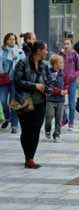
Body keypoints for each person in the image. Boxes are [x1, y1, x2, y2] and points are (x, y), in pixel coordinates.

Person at [14, 41, 50, 169]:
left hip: (40, 102)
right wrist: (35, 86)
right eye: (45, 49)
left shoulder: (45, 65)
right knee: (26, 130)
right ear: (39, 50)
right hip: (25, 102)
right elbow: (17, 81)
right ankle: (28, 157)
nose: (47, 52)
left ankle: (30, 158)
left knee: (35, 130)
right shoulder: (22, 63)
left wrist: (48, 90)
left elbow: (48, 81)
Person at [0, 33, 25, 133]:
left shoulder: (19, 52)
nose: (11, 41)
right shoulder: (1, 52)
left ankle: (14, 125)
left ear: (16, 41)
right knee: (2, 101)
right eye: (9, 39)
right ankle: (7, 117)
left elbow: (23, 65)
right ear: (6, 40)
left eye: (13, 39)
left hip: (15, 81)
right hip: (3, 80)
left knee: (14, 103)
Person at [60, 38, 79, 130]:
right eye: (64, 44)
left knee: (72, 104)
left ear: (71, 45)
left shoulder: (75, 55)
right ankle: (64, 118)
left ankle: (71, 123)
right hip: (61, 81)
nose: (66, 46)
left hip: (72, 82)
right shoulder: (59, 55)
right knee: (60, 102)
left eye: (68, 44)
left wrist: (73, 76)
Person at [45, 55, 67, 142]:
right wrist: (59, 91)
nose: (62, 64)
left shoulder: (63, 73)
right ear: (55, 64)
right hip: (50, 99)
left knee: (59, 119)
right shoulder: (49, 73)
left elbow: (66, 83)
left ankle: (57, 135)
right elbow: (49, 85)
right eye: (61, 62)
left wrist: (66, 89)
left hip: (61, 100)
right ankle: (47, 129)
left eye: (62, 62)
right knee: (49, 116)